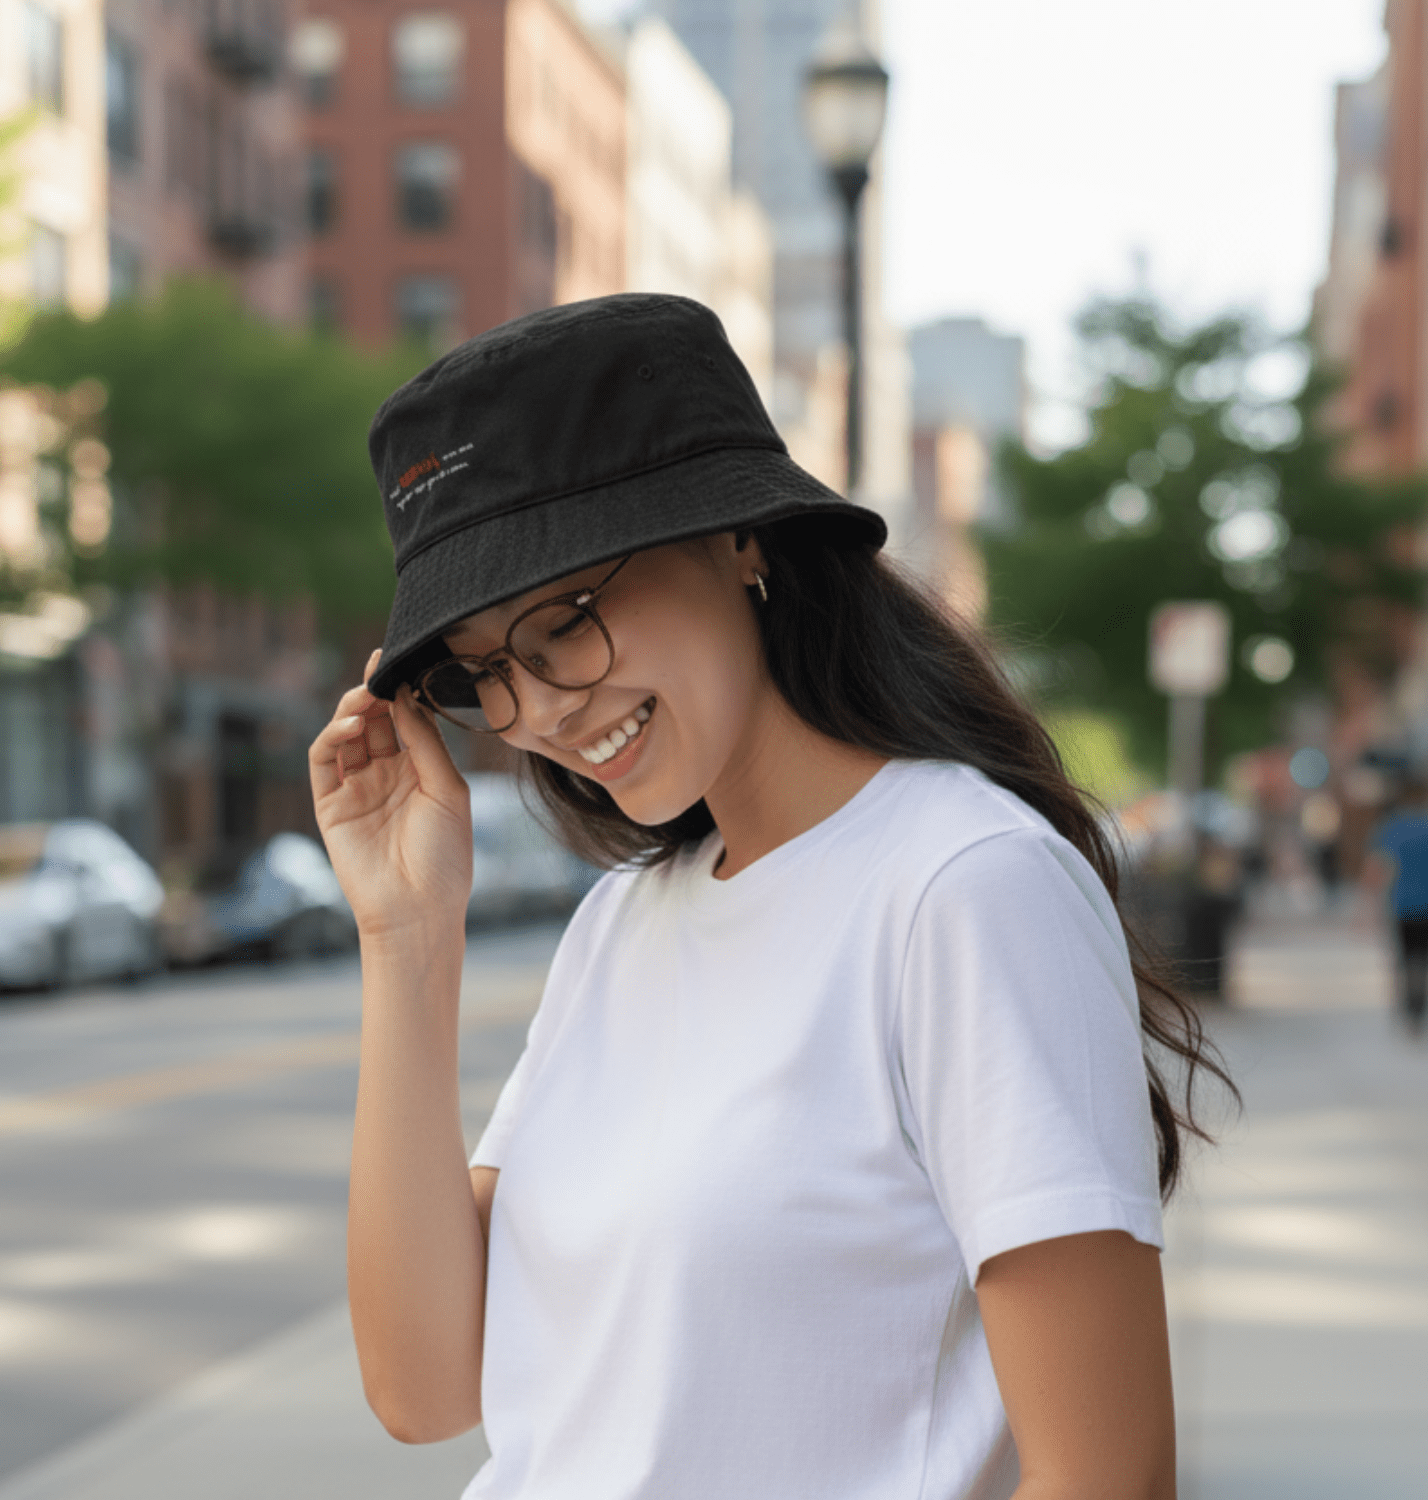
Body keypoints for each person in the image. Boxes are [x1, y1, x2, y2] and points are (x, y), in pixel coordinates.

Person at [310, 295, 1229, 1500]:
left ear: (739, 540)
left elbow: (1103, 1479)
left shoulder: (963, 887)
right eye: (484, 671)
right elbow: (425, 1388)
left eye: (564, 620)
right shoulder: (621, 926)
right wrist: (407, 934)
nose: (538, 709)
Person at [1370, 777, 1428, 1031]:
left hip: (1402, 903)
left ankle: (1408, 1008)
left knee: (1404, 957)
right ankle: (1421, 1008)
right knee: (1426, 958)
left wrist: (1367, 907)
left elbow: (1378, 869)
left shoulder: (1393, 828)